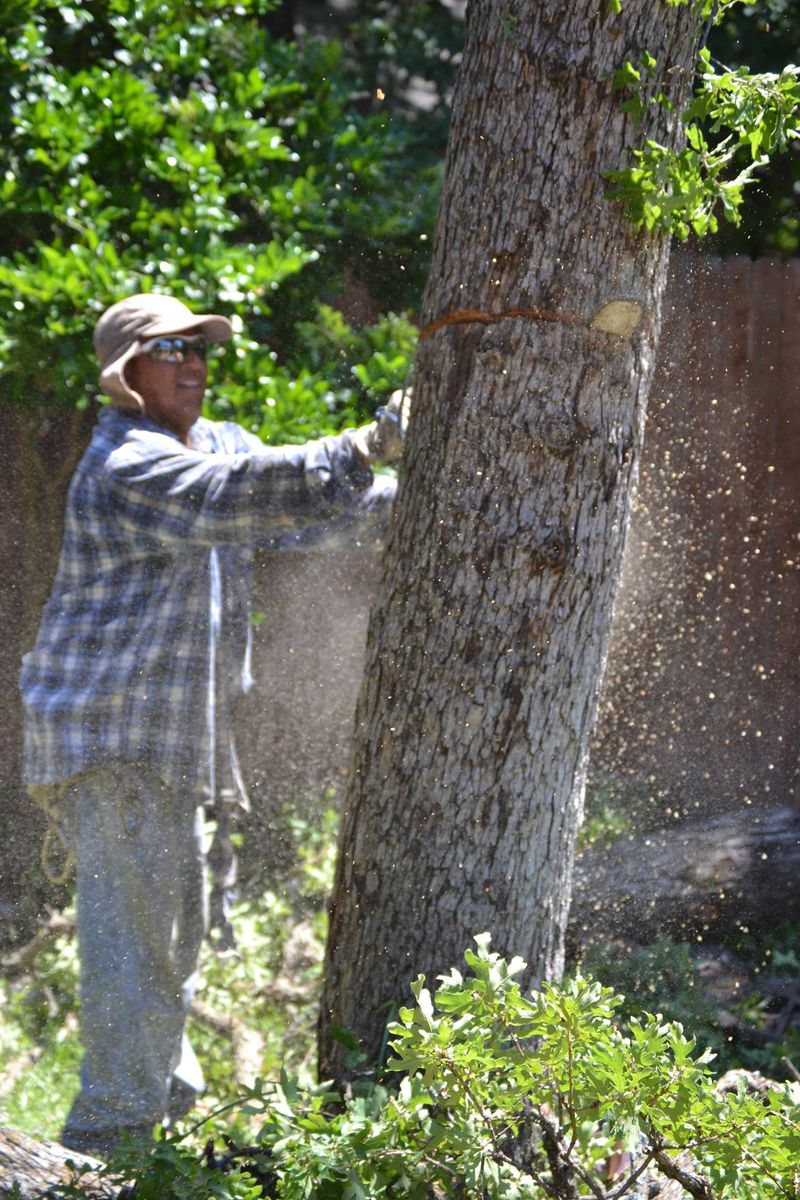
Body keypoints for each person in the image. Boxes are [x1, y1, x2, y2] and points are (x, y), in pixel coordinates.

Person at [19, 292, 403, 1157]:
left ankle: (162, 1127)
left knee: (171, 942)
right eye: (170, 351)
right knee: (138, 950)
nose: (193, 363)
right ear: (127, 374)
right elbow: (233, 496)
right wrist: (366, 444)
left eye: (199, 348)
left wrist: (427, 491)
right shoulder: (128, 462)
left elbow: (306, 508)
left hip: (163, 749)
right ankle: (106, 1148)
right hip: (110, 745)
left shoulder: (217, 442)